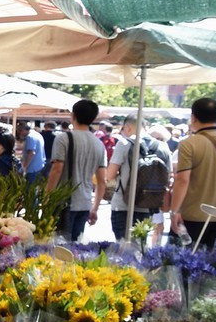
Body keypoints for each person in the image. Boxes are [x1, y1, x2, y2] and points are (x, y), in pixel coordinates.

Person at [170, 96, 216, 247]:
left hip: (193, 215)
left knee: (186, 264)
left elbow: (182, 180)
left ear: (193, 117)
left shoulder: (188, 144)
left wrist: (174, 211)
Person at [46, 99, 107, 242]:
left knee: (59, 248)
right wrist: (95, 208)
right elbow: (102, 181)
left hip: (64, 202)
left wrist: (47, 197)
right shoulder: (99, 144)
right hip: (85, 203)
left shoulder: (63, 139)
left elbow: (57, 170)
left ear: (73, 116)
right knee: (75, 249)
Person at [103, 116, 173, 241]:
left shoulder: (124, 144)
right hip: (149, 205)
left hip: (123, 204)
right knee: (140, 245)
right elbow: (168, 178)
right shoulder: (163, 146)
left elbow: (110, 175)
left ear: (128, 127)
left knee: (123, 247)